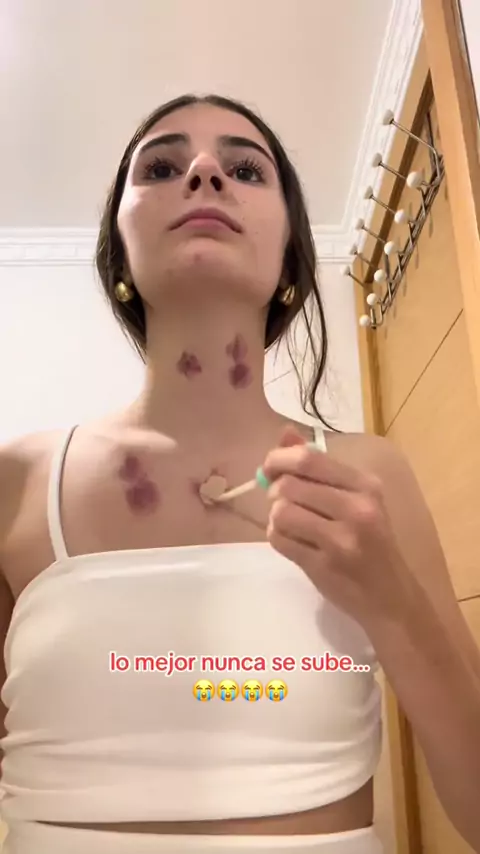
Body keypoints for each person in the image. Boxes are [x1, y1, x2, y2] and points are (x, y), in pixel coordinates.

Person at [0, 94, 479, 854]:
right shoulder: (18, 482)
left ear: (289, 259)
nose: (203, 172)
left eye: (246, 169)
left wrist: (395, 606)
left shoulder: (370, 475)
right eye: (162, 166)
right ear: (118, 255)